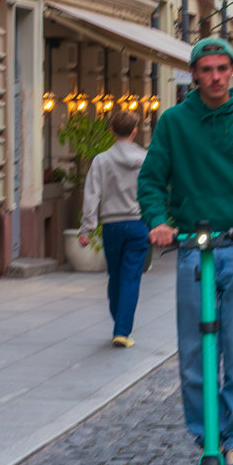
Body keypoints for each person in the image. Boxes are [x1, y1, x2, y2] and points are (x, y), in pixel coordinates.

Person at [139, 37, 233, 465]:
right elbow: (151, 181)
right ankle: (208, 437)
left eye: (223, 69)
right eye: (207, 70)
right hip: (191, 251)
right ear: (194, 74)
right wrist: (159, 222)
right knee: (194, 353)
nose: (216, 77)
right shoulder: (173, 123)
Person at [79, 108, 149, 348]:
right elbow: (152, 191)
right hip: (139, 224)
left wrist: (87, 228)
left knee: (115, 277)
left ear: (111, 130)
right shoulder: (145, 158)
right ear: (135, 131)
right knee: (131, 277)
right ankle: (122, 330)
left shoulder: (101, 160)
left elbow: (92, 194)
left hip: (112, 226)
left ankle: (119, 321)